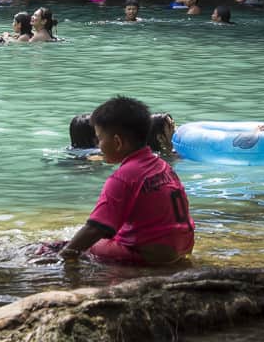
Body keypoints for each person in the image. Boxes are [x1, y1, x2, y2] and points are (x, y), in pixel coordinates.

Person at [57, 96, 194, 265]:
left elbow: (95, 228)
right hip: (183, 247)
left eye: (100, 139)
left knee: (66, 246)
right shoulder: (162, 166)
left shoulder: (123, 178)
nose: (99, 145)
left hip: (151, 256)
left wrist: (65, 255)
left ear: (117, 142)